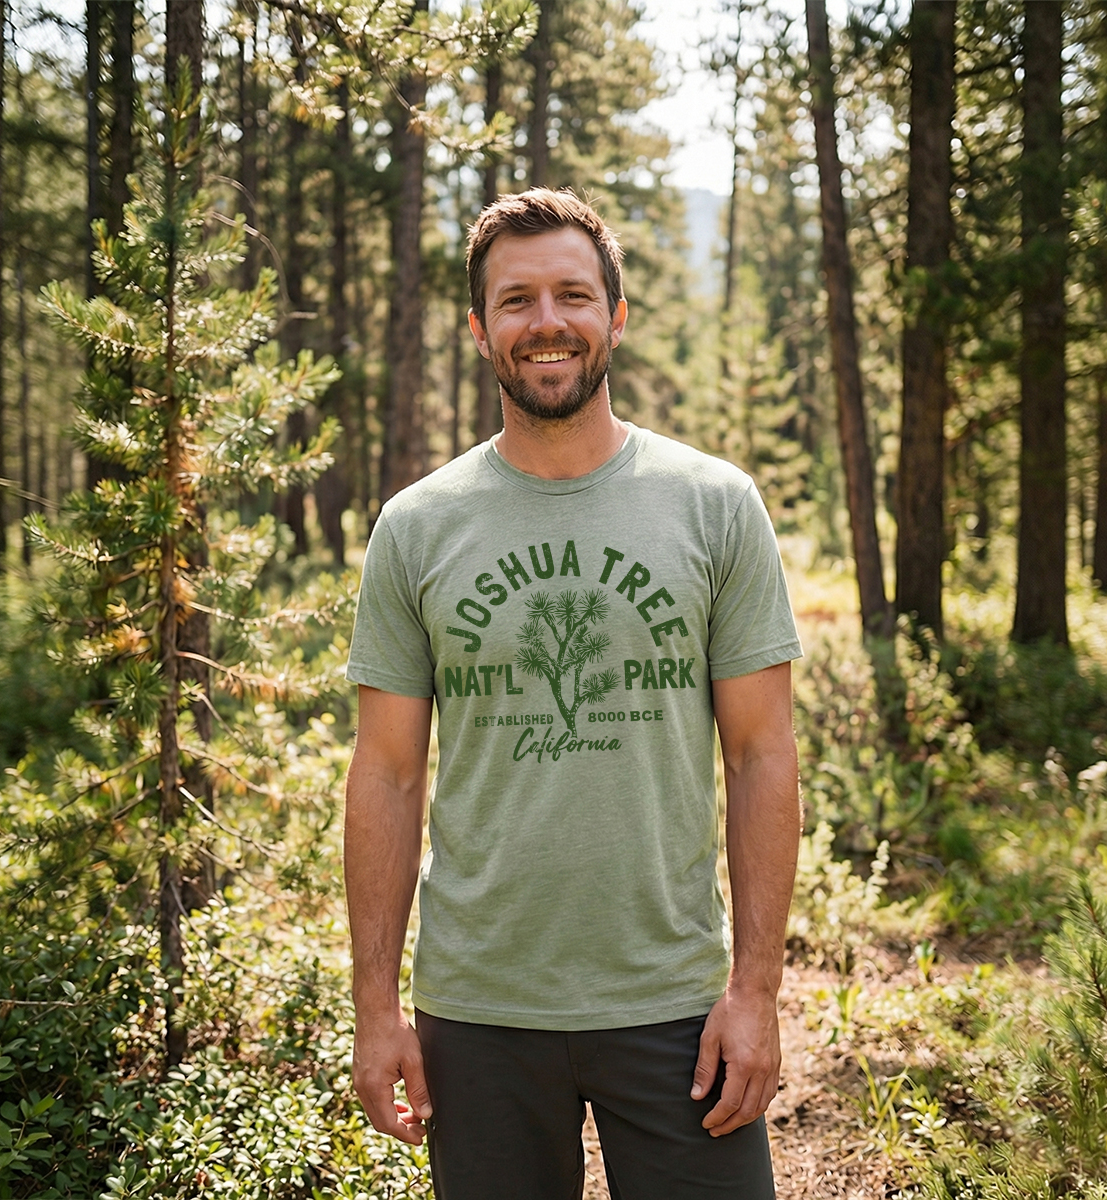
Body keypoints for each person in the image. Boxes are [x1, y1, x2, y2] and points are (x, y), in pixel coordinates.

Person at [344, 188, 802, 1199]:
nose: (546, 322)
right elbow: (386, 772)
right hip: (480, 1008)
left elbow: (761, 753)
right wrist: (376, 1011)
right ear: (479, 329)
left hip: (675, 1004)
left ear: (615, 317)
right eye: (516, 301)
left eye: (573, 295)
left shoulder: (714, 505)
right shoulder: (417, 527)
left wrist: (756, 990)